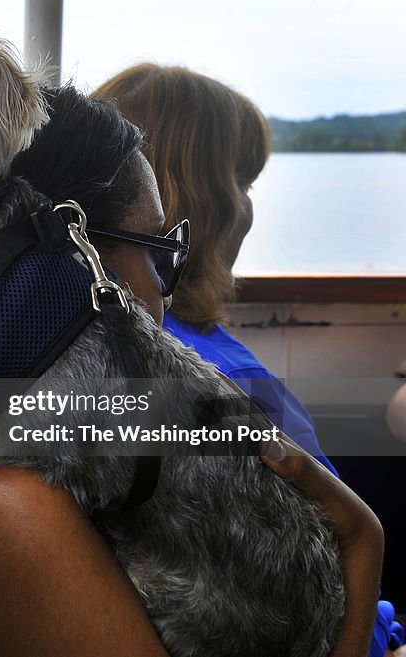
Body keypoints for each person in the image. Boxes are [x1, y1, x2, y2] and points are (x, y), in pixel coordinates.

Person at [0, 85, 385, 657]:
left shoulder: (21, 442)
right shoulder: (5, 508)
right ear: (56, 271)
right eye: (154, 250)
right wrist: (361, 542)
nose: (162, 296)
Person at [93, 63, 403, 657]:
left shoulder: (85, 356)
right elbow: (329, 596)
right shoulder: (226, 387)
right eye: (244, 184)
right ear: (211, 203)